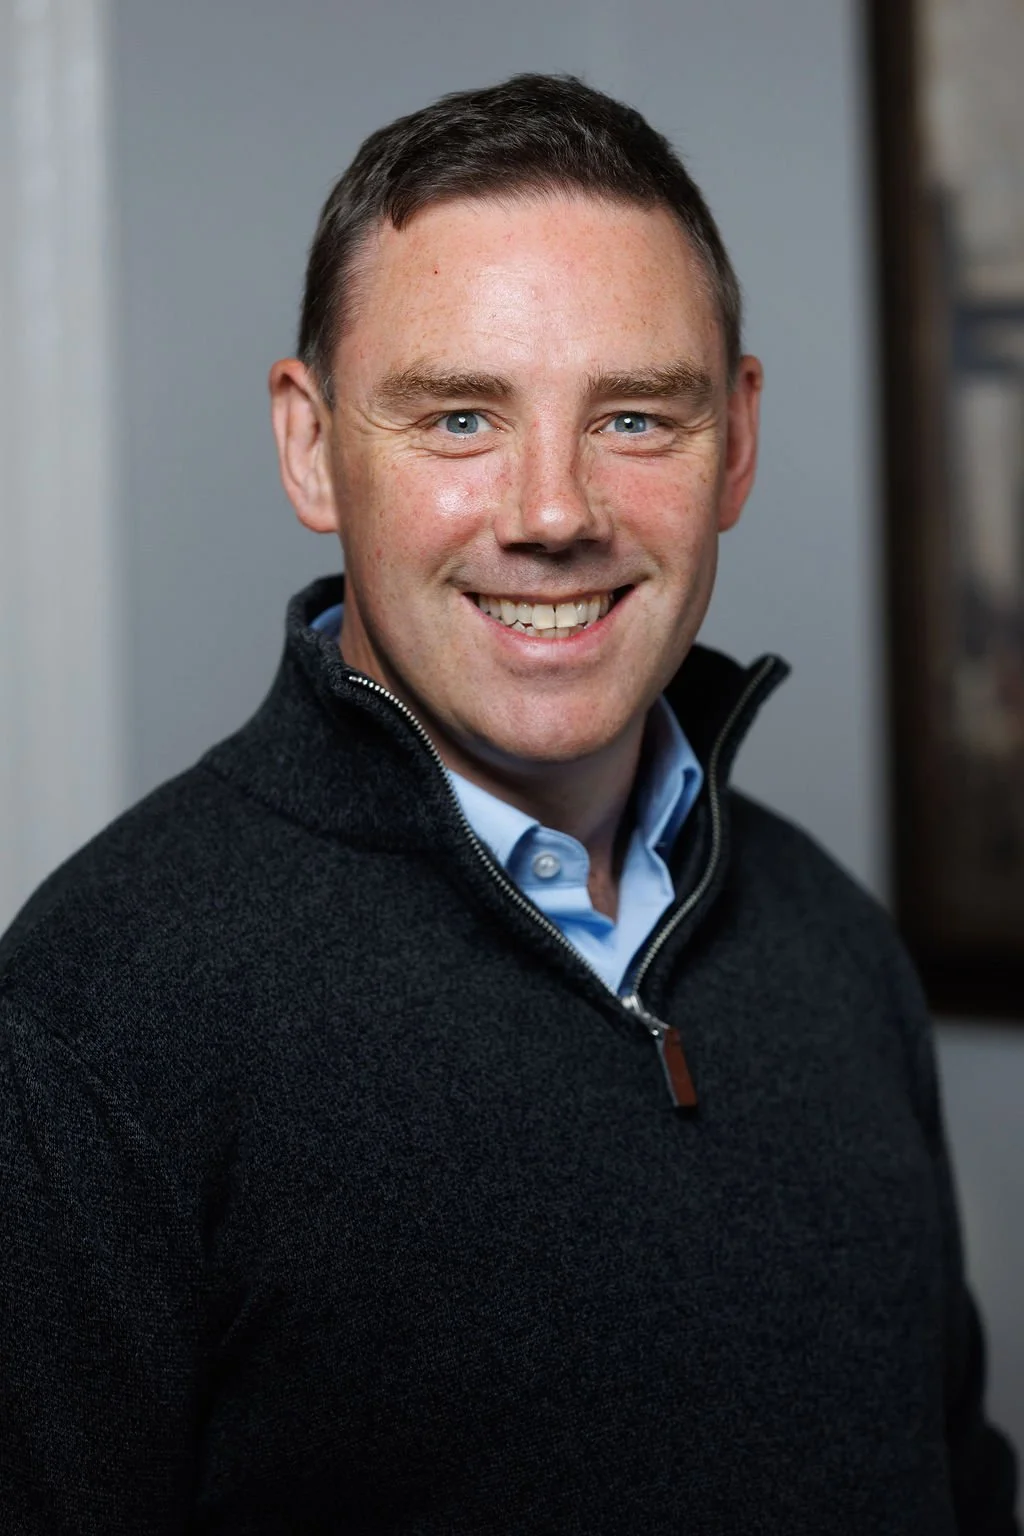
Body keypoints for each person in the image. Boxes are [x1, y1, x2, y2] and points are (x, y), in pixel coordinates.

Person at [0, 72, 1017, 1535]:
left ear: (736, 440)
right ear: (311, 446)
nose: (553, 514)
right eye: (461, 415)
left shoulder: (837, 950)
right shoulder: (94, 1023)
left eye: (636, 417)